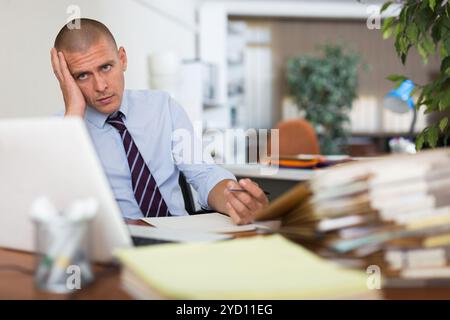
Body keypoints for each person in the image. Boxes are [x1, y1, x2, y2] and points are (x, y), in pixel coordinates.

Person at [50, 18, 269, 225]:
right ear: (66, 78)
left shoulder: (162, 106)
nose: (100, 86)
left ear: (122, 59)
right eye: (82, 76)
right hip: (118, 248)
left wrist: (233, 198)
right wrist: (74, 115)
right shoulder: (61, 130)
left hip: (180, 238)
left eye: (106, 67)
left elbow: (204, 173)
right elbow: (57, 206)